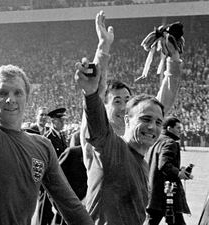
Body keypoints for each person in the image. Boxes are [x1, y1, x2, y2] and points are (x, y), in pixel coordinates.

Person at [0, 12, 93, 225]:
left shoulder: (42, 147)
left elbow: (70, 205)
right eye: (2, 93)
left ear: (27, 97)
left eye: (17, 92)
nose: (10, 99)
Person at [78, 11, 183, 225]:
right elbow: (94, 94)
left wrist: (173, 60)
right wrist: (102, 49)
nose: (124, 105)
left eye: (128, 100)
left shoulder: (137, 153)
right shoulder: (107, 146)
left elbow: (160, 105)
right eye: (117, 101)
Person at [144, 117, 192, 225]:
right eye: (178, 128)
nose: (180, 130)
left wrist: (179, 170)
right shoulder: (170, 143)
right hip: (166, 194)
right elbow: (164, 164)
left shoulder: (155, 140)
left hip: (153, 191)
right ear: (170, 128)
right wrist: (179, 173)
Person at [36, 107, 69, 225]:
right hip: (47, 180)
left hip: (57, 179)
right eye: (61, 121)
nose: (63, 123)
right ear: (54, 121)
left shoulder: (61, 136)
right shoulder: (48, 138)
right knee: (44, 211)